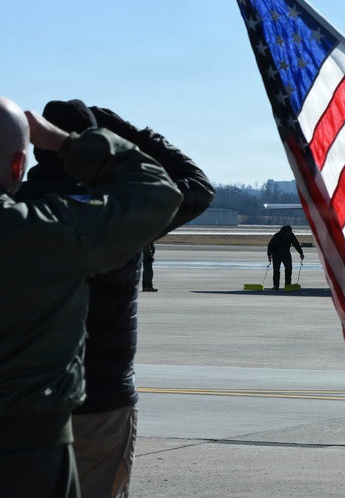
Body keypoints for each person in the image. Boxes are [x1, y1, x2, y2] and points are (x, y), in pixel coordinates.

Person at [16, 101, 215, 498]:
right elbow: (194, 186)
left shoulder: (17, 211)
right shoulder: (119, 214)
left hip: (24, 406)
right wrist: (122, 132)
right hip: (102, 399)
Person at [267, 224, 304, 290]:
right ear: (285, 231)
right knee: (276, 270)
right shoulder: (277, 236)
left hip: (286, 254)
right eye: (289, 232)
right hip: (276, 254)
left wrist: (301, 253)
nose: (290, 233)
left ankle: (287, 285)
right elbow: (271, 245)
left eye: (290, 232)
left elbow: (296, 244)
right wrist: (269, 255)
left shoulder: (291, 236)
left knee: (289, 269)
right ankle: (276, 285)